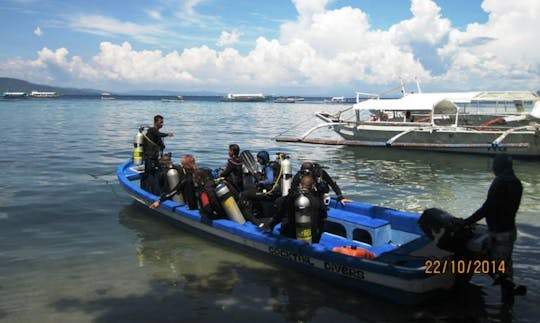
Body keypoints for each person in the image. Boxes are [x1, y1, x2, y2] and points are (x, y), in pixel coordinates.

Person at [463, 153, 526, 304]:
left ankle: (509, 288)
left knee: (493, 266)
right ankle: (507, 304)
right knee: (505, 266)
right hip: (509, 230)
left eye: (494, 165)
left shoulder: (500, 182)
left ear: (499, 166)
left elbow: (487, 208)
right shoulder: (516, 182)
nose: (492, 168)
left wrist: (466, 222)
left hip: (499, 233)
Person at [262, 173, 327, 243]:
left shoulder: (291, 198)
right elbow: (323, 216)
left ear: (300, 185)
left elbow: (280, 214)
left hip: (291, 235)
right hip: (311, 237)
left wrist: (270, 225)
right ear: (313, 186)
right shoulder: (317, 200)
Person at [141, 115, 174, 194]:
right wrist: (167, 134)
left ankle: (158, 189)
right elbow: (158, 134)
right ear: (156, 122)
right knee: (149, 174)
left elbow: (160, 142)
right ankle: (147, 190)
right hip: (149, 157)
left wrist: (162, 146)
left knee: (159, 170)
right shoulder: (152, 130)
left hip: (154, 157)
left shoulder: (156, 133)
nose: (162, 124)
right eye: (160, 122)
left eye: (162, 122)